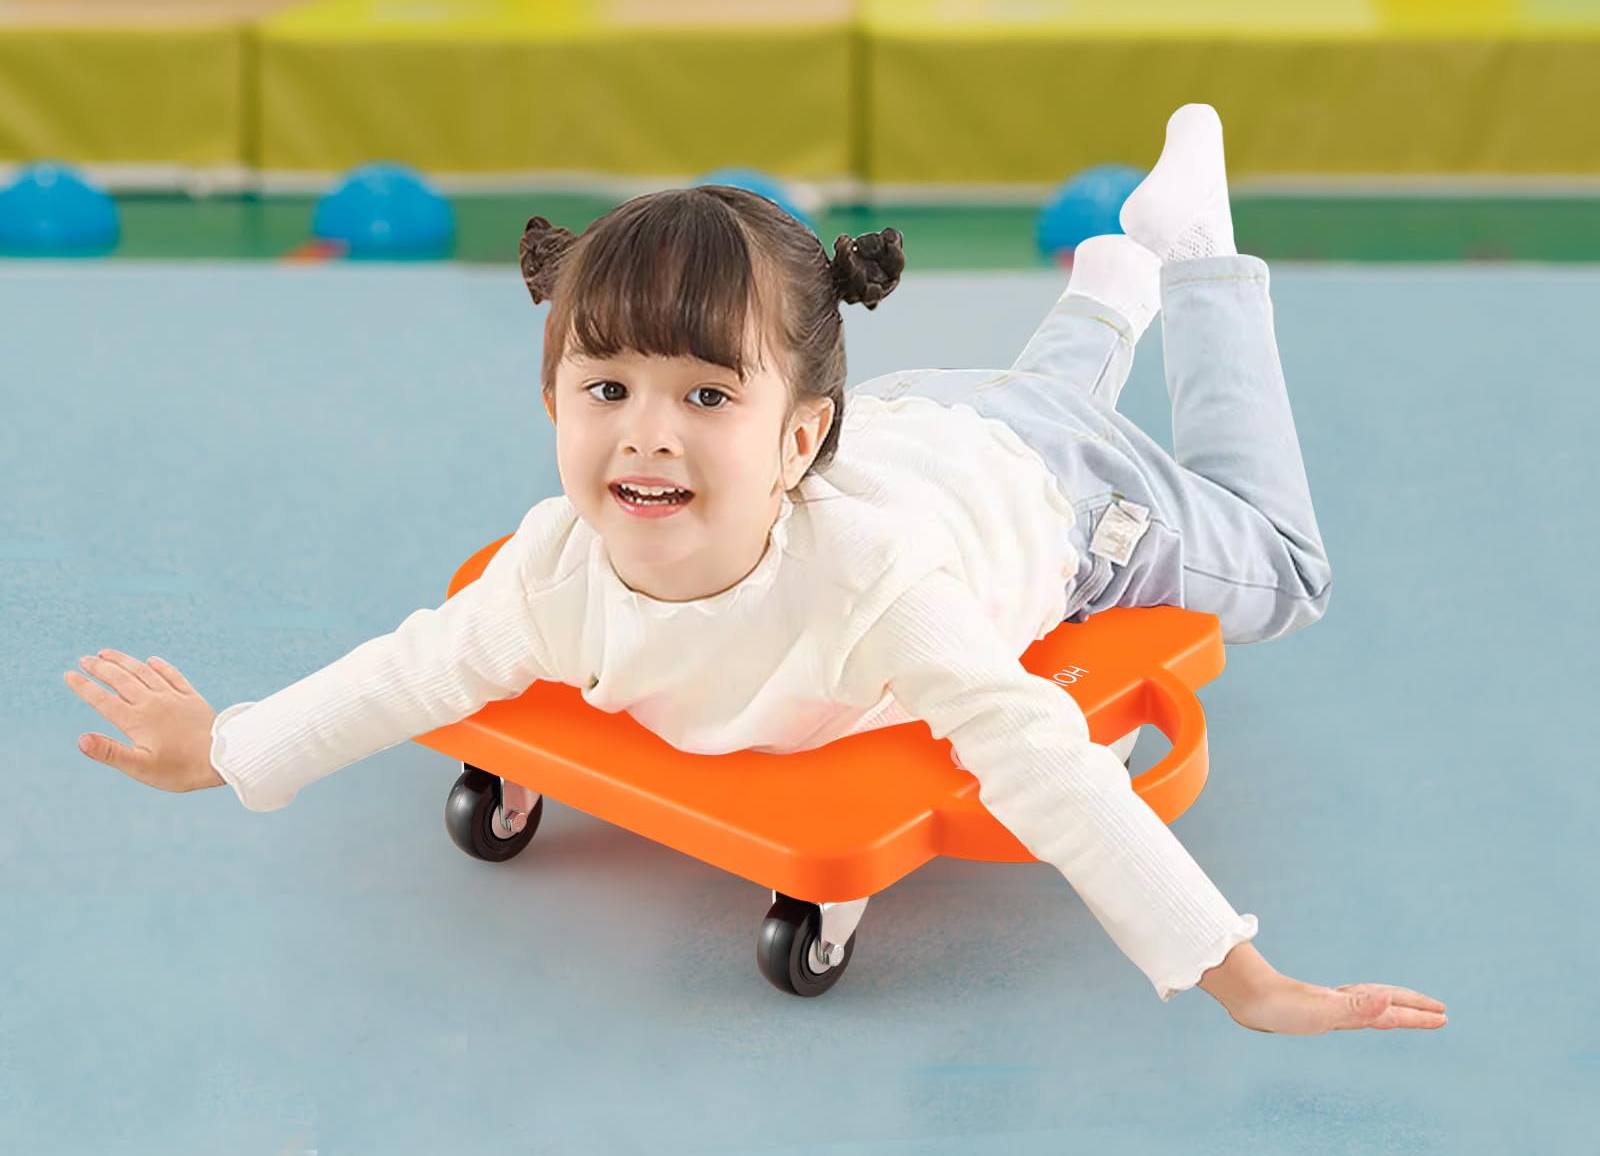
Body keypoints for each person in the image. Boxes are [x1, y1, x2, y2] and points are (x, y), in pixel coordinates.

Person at [65, 104, 1447, 1037]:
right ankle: (1107, 286)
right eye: (604, 386)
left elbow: (1050, 769)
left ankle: (1189, 264)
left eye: (701, 398)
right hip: (933, 428)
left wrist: (1239, 976)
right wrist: (224, 750)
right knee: (1030, 404)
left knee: (1284, 568)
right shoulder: (556, 570)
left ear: (796, 438)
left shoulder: (882, 594)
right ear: (552, 399)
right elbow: (404, 670)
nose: (645, 434)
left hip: (1071, 507)